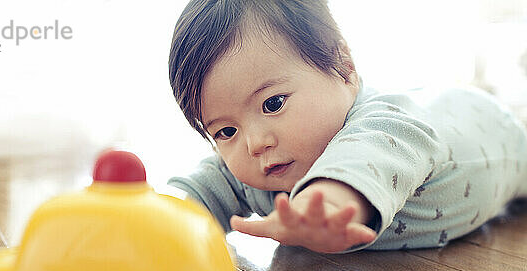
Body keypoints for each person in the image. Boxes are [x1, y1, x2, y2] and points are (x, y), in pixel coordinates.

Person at [167, 0, 527, 254]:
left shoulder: (385, 127)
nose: (255, 143)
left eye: (273, 104)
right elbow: (199, 190)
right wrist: (158, 220)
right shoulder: (259, 167)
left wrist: (317, 208)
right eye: (225, 132)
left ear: (342, 65)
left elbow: (359, 161)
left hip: (492, 133)